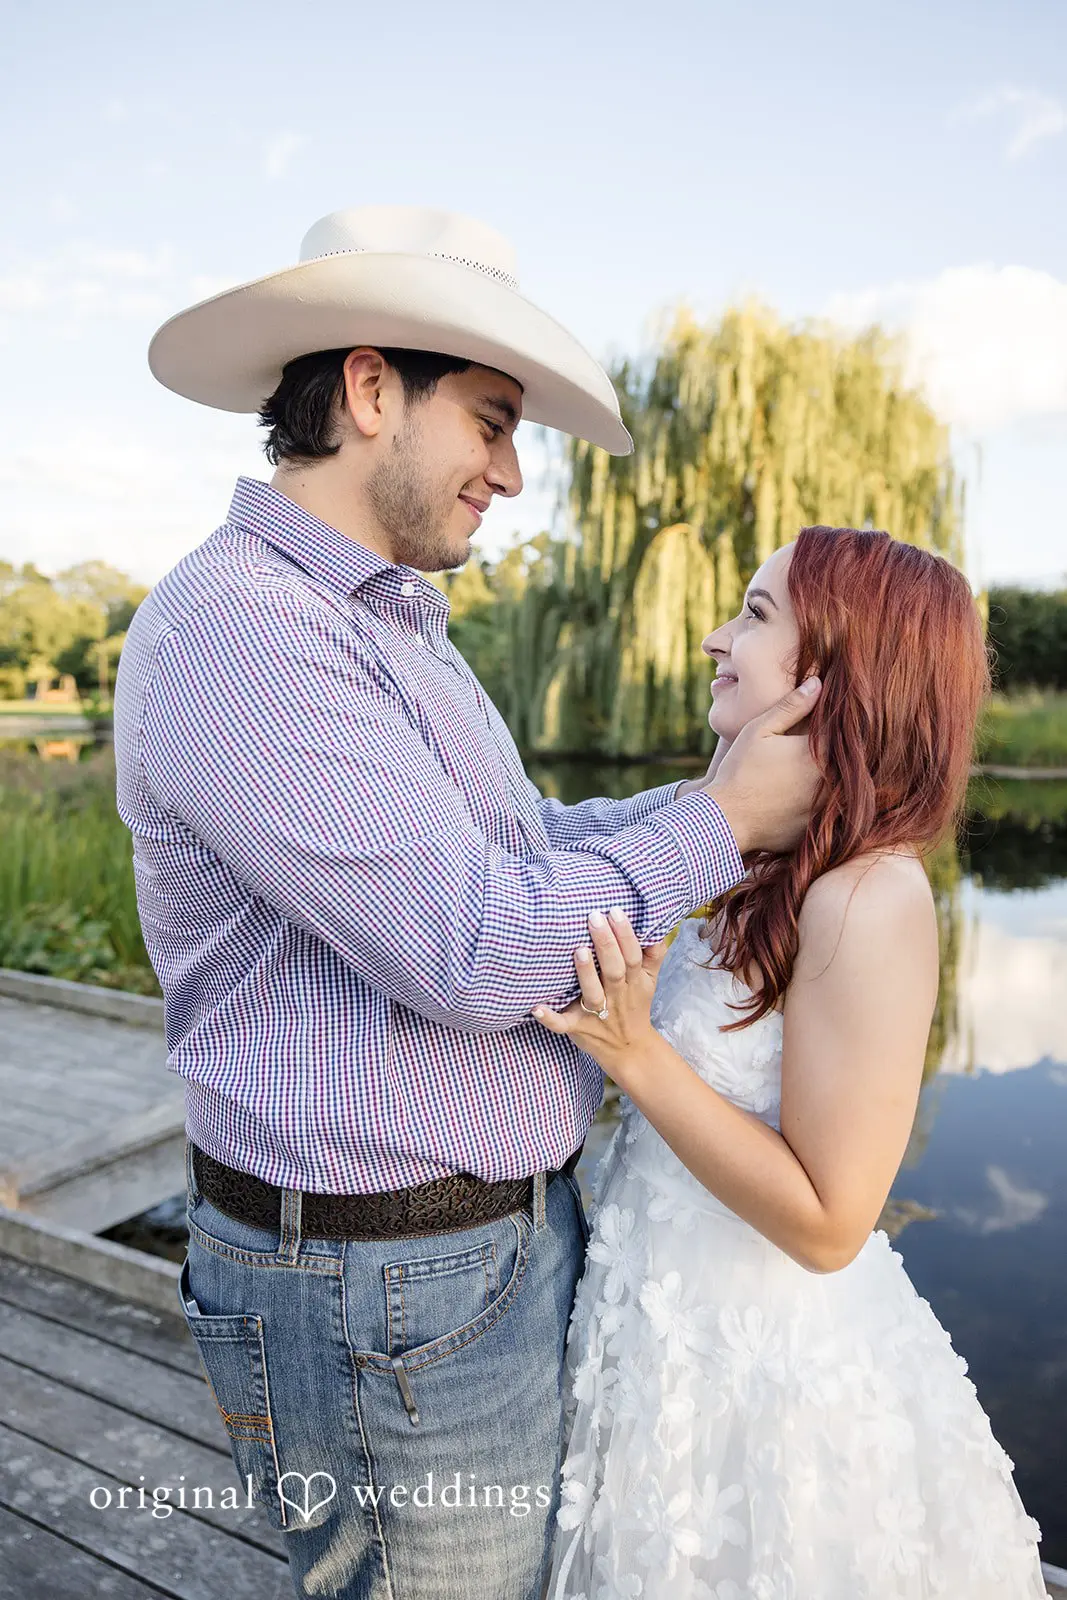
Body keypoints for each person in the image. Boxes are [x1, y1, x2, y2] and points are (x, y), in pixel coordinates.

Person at [113, 206, 821, 1600]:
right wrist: (725, 822)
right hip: (379, 1287)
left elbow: (523, 848)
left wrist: (718, 801)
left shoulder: (387, 623)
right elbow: (477, 947)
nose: (509, 472)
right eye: (491, 422)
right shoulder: (242, 630)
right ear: (371, 389)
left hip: (462, 1257)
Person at [534, 525, 1047, 1599]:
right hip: (658, 1336)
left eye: (755, 616)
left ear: (837, 673)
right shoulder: (763, 862)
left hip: (761, 1378)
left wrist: (633, 1052)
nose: (715, 639)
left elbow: (828, 1224)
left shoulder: (869, 897)